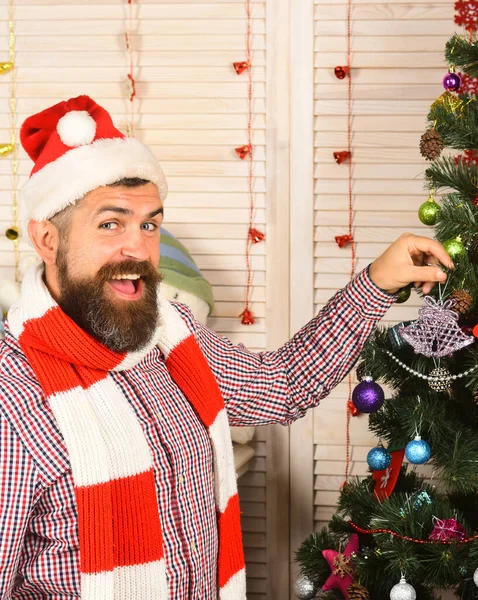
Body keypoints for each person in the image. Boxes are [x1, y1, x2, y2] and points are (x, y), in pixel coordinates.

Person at [0, 95, 453, 600]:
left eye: (149, 223)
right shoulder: (12, 397)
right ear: (46, 239)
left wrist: (377, 282)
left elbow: (283, 385)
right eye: (111, 223)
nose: (139, 249)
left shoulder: (171, 335)